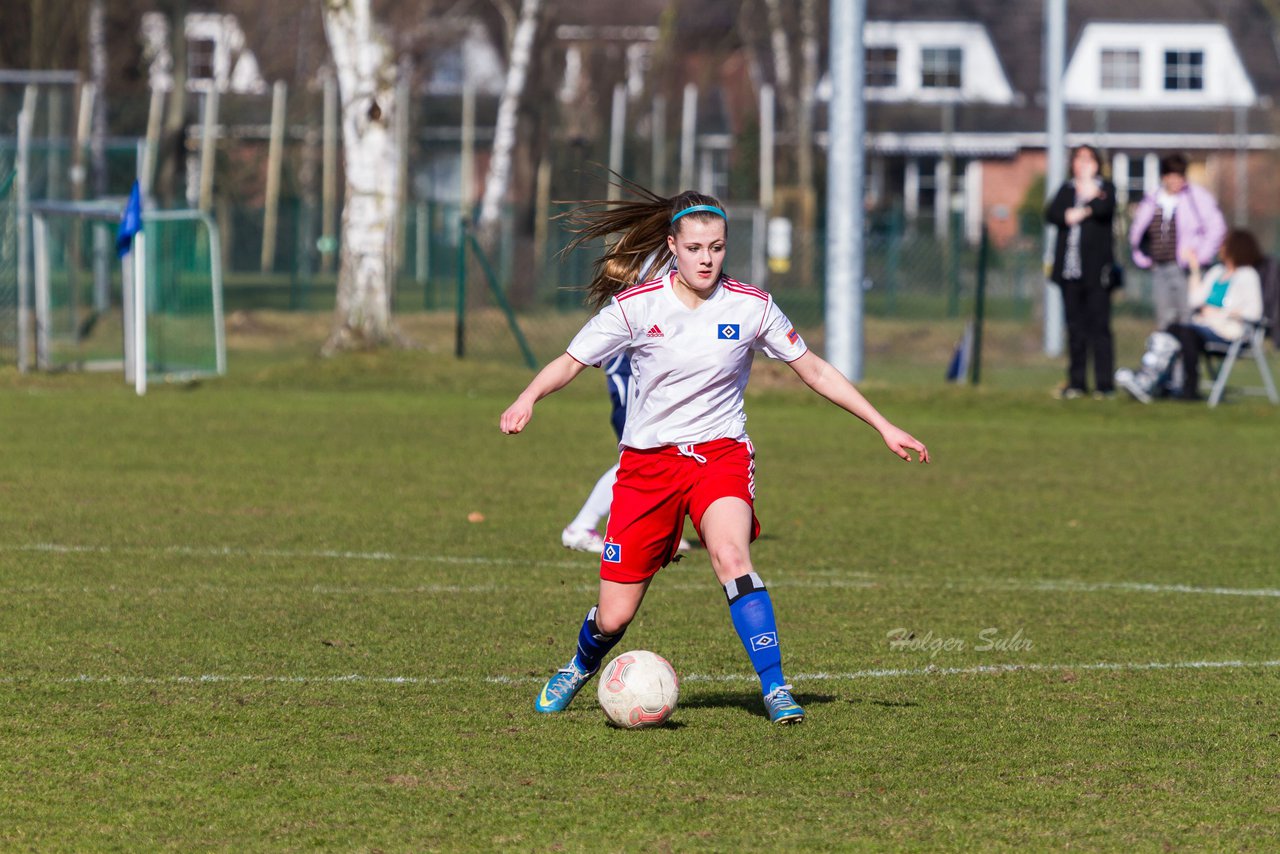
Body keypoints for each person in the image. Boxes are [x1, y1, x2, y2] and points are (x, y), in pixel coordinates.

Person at [500, 186, 930, 724]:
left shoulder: (752, 307)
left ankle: (775, 687)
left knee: (731, 556)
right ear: (672, 247)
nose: (707, 258)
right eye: (696, 247)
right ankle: (580, 663)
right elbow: (569, 360)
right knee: (614, 616)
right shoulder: (636, 308)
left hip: (719, 454)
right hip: (646, 467)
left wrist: (883, 425)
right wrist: (527, 398)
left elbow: (814, 369)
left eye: (718, 247)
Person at [561, 349, 692, 554]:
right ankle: (580, 527)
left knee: (659, 456)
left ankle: (658, 530)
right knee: (638, 457)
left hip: (651, 377)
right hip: (632, 375)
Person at [1045, 144, 1119, 399]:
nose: (1084, 164)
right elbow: (1053, 214)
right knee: (1075, 329)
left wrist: (1083, 208)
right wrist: (1072, 212)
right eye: (1079, 159)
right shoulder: (1066, 189)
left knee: (1099, 328)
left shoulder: (1105, 188)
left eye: (1089, 159)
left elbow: (1105, 208)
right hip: (1069, 271)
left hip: (1097, 272)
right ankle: (1076, 382)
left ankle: (1104, 384)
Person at [1164, 229, 1265, 401]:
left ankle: (1190, 388)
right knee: (1172, 329)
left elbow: (1254, 312)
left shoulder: (1248, 276)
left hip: (1229, 333)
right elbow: (1194, 301)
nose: (1220, 248)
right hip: (1204, 327)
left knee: (1187, 334)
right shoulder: (1216, 272)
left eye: (1224, 245)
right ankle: (1157, 381)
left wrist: (1220, 313)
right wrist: (1195, 270)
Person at [1129, 153, 1227, 330]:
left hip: (1185, 269)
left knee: (1186, 316)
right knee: (1163, 318)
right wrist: (1143, 256)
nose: (1176, 181)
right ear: (1164, 176)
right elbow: (1138, 231)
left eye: (1180, 176)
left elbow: (1216, 227)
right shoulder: (1152, 199)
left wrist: (1200, 255)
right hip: (1159, 266)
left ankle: (1187, 356)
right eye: (1172, 176)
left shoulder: (1196, 197)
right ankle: (1166, 356)